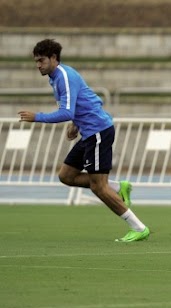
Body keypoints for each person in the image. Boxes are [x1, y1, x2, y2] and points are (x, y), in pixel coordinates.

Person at [17, 38, 149, 242]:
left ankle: (138, 227)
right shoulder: (56, 76)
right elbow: (93, 100)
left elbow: (66, 111)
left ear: (53, 58)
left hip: (98, 131)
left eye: (41, 60)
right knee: (66, 175)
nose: (38, 65)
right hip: (89, 132)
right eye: (36, 61)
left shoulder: (63, 76)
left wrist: (38, 117)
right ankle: (117, 187)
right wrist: (77, 124)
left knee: (98, 187)